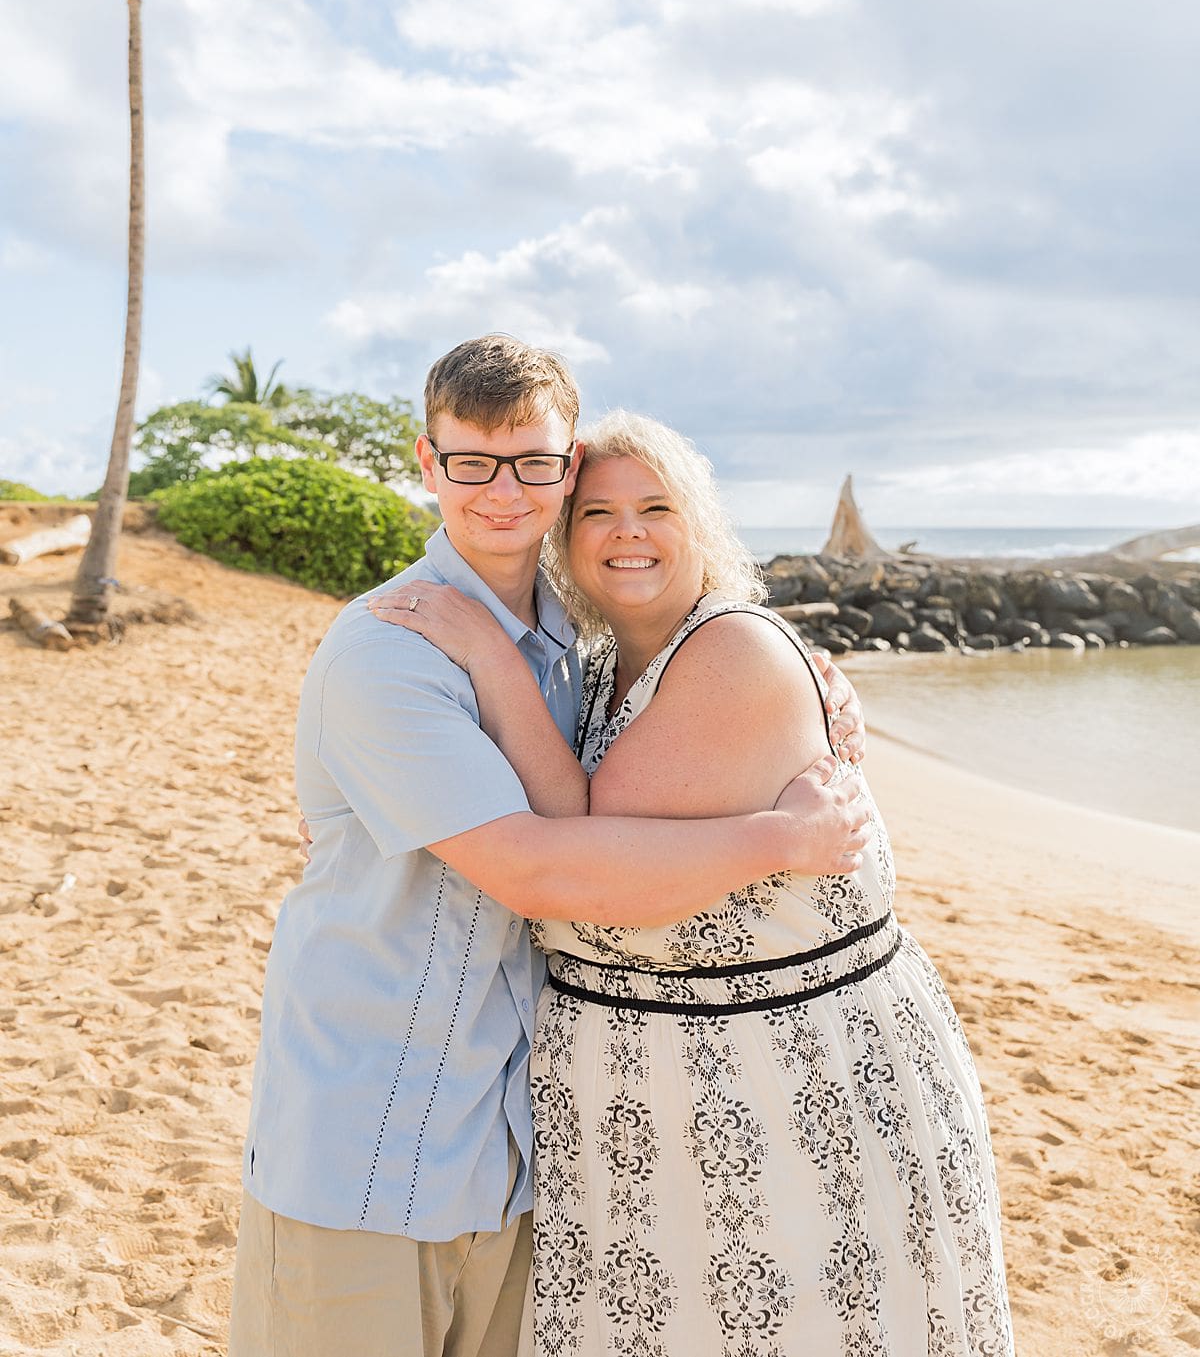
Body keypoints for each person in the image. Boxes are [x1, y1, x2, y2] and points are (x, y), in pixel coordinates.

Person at [228, 338, 871, 1357]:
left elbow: (678, 703)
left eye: (534, 461)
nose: (502, 490)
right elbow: (540, 866)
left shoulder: (576, 649)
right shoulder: (390, 646)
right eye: (472, 462)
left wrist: (799, 685)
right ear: (427, 463)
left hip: (513, 1155)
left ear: (567, 469)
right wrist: (784, 835)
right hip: (368, 1142)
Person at [375, 408, 1015, 1357]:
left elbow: (579, 846)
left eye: (654, 506)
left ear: (699, 524)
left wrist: (484, 652)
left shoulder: (734, 652)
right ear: (565, 537)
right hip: (644, 1096)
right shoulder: (590, 669)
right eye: (595, 513)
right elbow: (503, 786)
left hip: (786, 1087)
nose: (626, 531)